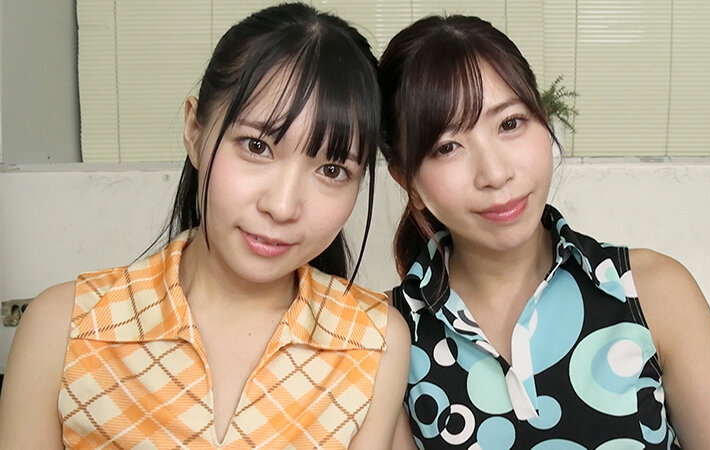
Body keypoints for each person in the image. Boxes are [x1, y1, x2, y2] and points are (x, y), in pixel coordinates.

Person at [0, 3, 409, 448]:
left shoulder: (375, 341)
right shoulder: (64, 327)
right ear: (195, 131)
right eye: (257, 146)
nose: (282, 206)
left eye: (332, 170)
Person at [379, 14, 710, 449]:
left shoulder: (652, 291)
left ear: (544, 123)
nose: (495, 174)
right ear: (408, 183)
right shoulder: (385, 336)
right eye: (447, 147)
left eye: (510, 124)